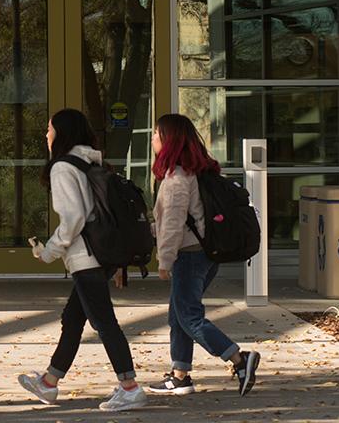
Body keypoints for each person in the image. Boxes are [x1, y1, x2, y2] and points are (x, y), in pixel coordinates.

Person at [19, 108, 147, 412]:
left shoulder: (63, 168)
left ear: (61, 133)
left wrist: (50, 251)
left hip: (85, 256)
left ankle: (129, 387)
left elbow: (74, 217)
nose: (45, 134)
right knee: (73, 319)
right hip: (99, 255)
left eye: (49, 128)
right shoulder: (89, 162)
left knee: (104, 323)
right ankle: (49, 382)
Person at [146, 113, 261, 397]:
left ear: (169, 140)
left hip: (189, 256)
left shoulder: (176, 178)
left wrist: (164, 261)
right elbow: (176, 221)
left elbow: (172, 225)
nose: (152, 139)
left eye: (157, 134)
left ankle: (238, 358)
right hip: (204, 255)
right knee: (179, 316)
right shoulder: (194, 173)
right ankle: (180, 375)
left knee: (189, 316)